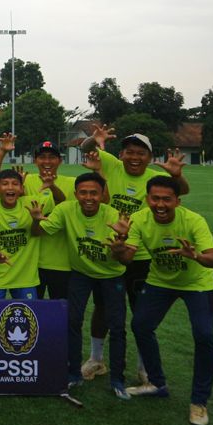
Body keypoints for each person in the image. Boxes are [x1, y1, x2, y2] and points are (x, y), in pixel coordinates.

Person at [79, 125, 190, 384]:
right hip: (109, 251)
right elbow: (85, 148)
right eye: (129, 152)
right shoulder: (112, 165)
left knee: (141, 314)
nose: (134, 157)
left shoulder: (153, 178)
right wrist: (94, 140)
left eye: (141, 153)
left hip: (140, 257)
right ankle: (96, 359)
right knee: (103, 307)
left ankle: (144, 368)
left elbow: (181, 191)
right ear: (122, 154)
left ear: (149, 157)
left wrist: (177, 176)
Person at [120, 176, 213, 425]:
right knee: (141, 325)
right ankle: (156, 383)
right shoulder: (140, 220)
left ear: (177, 200)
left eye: (167, 199)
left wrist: (195, 255)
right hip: (160, 281)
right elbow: (126, 259)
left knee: (204, 335)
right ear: (147, 199)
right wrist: (120, 245)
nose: (160, 204)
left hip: (197, 283)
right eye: (155, 199)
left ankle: (199, 401)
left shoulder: (194, 220)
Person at [31, 172, 131, 399]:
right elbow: (38, 232)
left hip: (111, 276)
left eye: (94, 193)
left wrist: (120, 247)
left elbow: (123, 258)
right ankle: (73, 373)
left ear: (103, 194)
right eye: (83, 193)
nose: (89, 197)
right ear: (75, 194)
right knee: (73, 320)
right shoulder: (66, 209)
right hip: (81, 274)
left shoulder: (114, 216)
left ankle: (117, 379)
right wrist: (36, 220)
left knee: (116, 326)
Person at [0, 136, 73, 300]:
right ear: (35, 160)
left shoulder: (72, 182)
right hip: (31, 263)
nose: (47, 161)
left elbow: (61, 203)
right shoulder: (23, 180)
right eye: (42, 157)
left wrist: (52, 187)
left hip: (61, 262)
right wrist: (3, 151)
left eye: (52, 157)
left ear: (60, 161)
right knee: (30, 313)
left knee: (62, 312)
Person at [0, 169, 52, 300]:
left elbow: (57, 200)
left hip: (25, 278)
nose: (10, 187)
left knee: (29, 317)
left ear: (22, 189)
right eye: (5, 183)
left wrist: (52, 187)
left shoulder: (32, 203)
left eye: (15, 184)